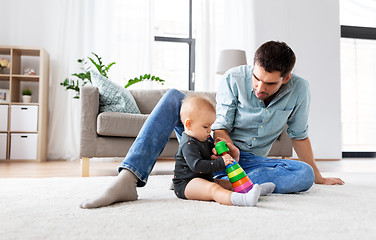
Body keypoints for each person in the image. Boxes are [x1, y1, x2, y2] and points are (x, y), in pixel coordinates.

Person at [80, 40, 344, 209]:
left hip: (249, 161)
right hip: (214, 147)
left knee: (303, 175)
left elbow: (299, 135)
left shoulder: (300, 89)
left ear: (286, 79)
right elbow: (220, 124)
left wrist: (318, 176)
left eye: (270, 83)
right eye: (256, 78)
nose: (259, 87)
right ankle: (129, 178)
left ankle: (210, 179)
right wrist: (224, 147)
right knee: (173, 98)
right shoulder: (233, 77)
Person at [173, 94, 275, 206]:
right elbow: (197, 166)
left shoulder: (202, 138)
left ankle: (254, 189)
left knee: (229, 183)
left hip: (203, 179)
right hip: (187, 184)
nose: (209, 131)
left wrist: (218, 146)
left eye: (211, 126)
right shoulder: (188, 144)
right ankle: (244, 200)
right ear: (189, 124)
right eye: (205, 127)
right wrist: (221, 162)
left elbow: (211, 153)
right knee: (213, 188)